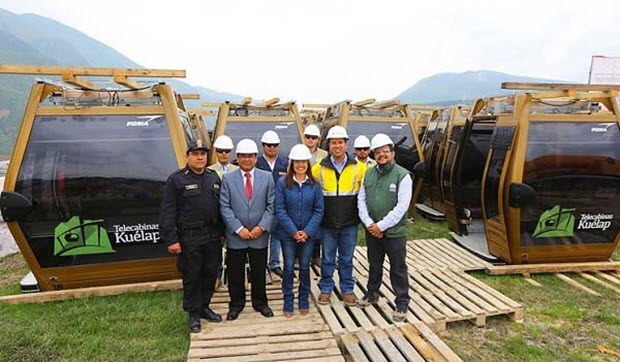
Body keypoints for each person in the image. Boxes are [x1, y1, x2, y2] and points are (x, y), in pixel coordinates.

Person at [159, 140, 224, 333]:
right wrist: (171, 239)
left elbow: (219, 208)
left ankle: (204, 306)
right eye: (195, 154)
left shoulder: (213, 177)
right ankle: (193, 313)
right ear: (188, 155)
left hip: (212, 236)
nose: (200, 157)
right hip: (190, 238)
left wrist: (221, 233)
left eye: (203, 154)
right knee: (192, 276)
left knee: (210, 273)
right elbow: (167, 211)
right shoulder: (177, 180)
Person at [357, 134, 412, 322]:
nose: (381, 155)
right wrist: (369, 223)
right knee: (374, 264)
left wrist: (380, 226)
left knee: (398, 268)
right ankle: (372, 293)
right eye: (378, 152)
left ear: (392, 153)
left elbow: (401, 207)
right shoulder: (368, 173)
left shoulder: (402, 176)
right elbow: (361, 200)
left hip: (394, 233)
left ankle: (402, 302)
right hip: (373, 231)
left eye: (385, 152)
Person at [220, 138, 275, 321]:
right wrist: (238, 228)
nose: (247, 160)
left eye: (250, 156)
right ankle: (236, 304)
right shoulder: (228, 179)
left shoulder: (267, 178)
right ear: (237, 158)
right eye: (243, 156)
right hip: (237, 237)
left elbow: (272, 205)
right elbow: (225, 207)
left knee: (259, 270)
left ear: (256, 157)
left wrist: (261, 227)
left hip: (259, 235)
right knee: (235, 272)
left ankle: (260, 303)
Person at [312, 125, 366, 306]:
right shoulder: (318, 168)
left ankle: (347, 289)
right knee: (327, 258)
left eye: (340, 143)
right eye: (333, 143)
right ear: (329, 145)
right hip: (327, 223)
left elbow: (365, 194)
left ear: (346, 144)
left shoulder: (359, 168)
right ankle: (326, 288)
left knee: (346, 258)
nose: (337, 146)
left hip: (349, 222)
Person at [274, 144, 324, 317]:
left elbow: (319, 210)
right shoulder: (283, 183)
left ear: (308, 163)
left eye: (303, 161)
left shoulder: (314, 185)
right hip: (288, 235)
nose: (300, 165)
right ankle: (288, 300)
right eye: (297, 162)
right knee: (288, 267)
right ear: (292, 164)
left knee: (304, 267)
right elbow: (279, 209)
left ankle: (303, 299)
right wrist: (293, 231)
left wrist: (307, 232)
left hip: (308, 236)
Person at [207, 135, 239, 289]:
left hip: (235, 215)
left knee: (236, 248)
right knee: (216, 248)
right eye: (221, 151)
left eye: (227, 151)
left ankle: (237, 275)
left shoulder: (238, 170)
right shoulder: (208, 172)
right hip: (216, 216)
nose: (224, 154)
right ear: (216, 152)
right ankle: (217, 276)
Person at [255, 130, 288, 278]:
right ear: (263, 146)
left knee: (276, 235)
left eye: (274, 145)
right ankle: (260, 264)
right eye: (268, 145)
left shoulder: (285, 163)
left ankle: (274, 263)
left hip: (279, 206)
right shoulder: (257, 163)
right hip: (260, 206)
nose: (272, 148)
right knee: (261, 235)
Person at [304, 124, 328, 266]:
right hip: (302, 192)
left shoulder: (324, 155)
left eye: (313, 137)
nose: (310, 140)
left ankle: (315, 255)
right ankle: (298, 256)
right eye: (308, 137)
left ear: (318, 139)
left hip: (319, 193)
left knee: (317, 224)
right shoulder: (298, 152)